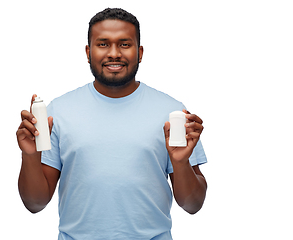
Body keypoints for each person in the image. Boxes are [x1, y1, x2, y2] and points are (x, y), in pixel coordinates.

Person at [17, 8, 207, 240]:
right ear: (88, 52)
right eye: (103, 44)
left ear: (140, 52)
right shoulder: (58, 112)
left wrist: (181, 163)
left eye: (125, 44)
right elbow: (35, 203)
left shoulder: (173, 113)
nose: (114, 53)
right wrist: (29, 156)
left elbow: (192, 205)